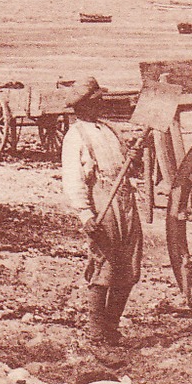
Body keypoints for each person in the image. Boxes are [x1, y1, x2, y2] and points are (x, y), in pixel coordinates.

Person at [60, 77, 142, 344]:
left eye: (101, 100)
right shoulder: (76, 136)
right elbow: (73, 179)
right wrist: (85, 214)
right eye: (95, 102)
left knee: (128, 267)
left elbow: (128, 168)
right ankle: (97, 332)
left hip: (125, 199)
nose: (101, 105)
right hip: (102, 201)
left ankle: (111, 328)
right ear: (82, 107)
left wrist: (134, 157)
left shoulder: (108, 130)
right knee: (104, 266)